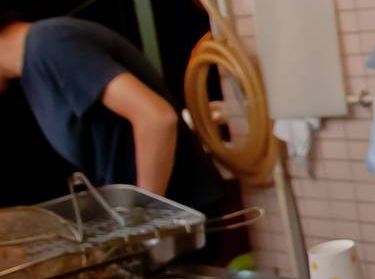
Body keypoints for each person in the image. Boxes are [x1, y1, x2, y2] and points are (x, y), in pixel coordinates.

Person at [0, 12, 225, 217]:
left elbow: (156, 118)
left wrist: (143, 217)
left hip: (181, 213)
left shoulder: (52, 44)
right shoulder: (31, 72)